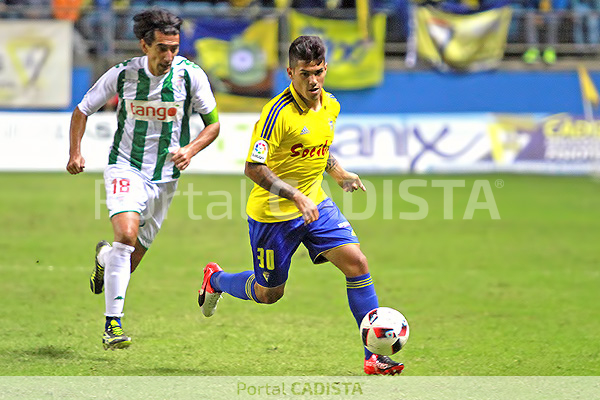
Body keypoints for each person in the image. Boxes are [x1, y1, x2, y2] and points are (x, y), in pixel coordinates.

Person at [197, 35, 404, 375]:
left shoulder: (331, 106)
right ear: (289, 72)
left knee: (357, 263)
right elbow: (253, 168)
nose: (313, 81)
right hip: (273, 215)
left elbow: (318, 149)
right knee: (269, 294)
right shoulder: (276, 114)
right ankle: (215, 280)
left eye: (319, 72)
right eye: (305, 73)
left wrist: (338, 173)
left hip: (316, 204)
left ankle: (373, 355)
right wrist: (294, 195)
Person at [66, 8, 220, 350]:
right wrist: (75, 152)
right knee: (126, 235)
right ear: (144, 45)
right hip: (126, 165)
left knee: (128, 258)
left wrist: (191, 149)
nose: (168, 56)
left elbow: (213, 124)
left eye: (174, 48)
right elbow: (82, 109)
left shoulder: (190, 76)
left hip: (166, 177)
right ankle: (112, 326)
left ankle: (104, 259)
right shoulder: (123, 75)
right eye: (162, 48)